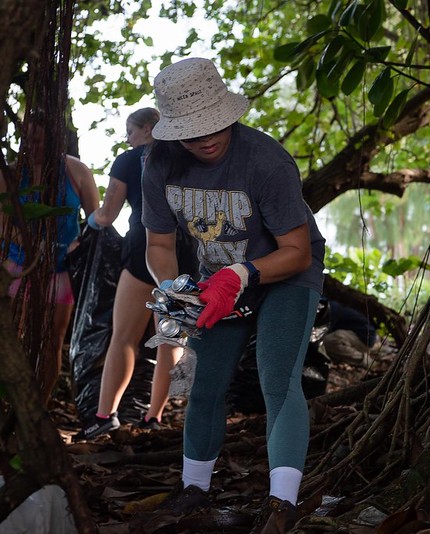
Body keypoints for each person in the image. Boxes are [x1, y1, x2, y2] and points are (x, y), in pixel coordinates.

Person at [140, 57, 325, 534]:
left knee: (277, 380)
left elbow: (297, 252)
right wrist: (173, 288)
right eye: (193, 130)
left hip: (283, 273)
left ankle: (282, 504)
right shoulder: (158, 163)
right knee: (203, 382)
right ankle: (194, 490)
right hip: (214, 280)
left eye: (214, 124)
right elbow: (159, 245)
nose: (206, 137)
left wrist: (240, 274)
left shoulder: (266, 160)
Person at [75, 108, 198, 440]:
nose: (127, 138)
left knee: (124, 338)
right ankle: (153, 418)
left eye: (130, 131)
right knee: (170, 339)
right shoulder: (190, 155)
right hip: (186, 254)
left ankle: (104, 416)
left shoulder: (130, 160)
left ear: (146, 129)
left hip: (144, 250)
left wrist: (88, 223)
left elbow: (107, 214)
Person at [1, 109, 100, 403]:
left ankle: (39, 407)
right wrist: (30, 246)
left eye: (40, 140)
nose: (33, 146)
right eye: (27, 140)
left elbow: (96, 220)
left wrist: (78, 243)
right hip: (18, 264)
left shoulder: (75, 171)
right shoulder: (10, 173)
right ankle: (11, 406)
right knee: (11, 337)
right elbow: (2, 224)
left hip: (61, 268)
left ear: (55, 139)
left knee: (52, 341)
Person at [320, 299, 378, 368]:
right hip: (360, 335)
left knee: (329, 341)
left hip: (364, 337)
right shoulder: (331, 305)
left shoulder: (330, 308)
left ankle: (366, 361)